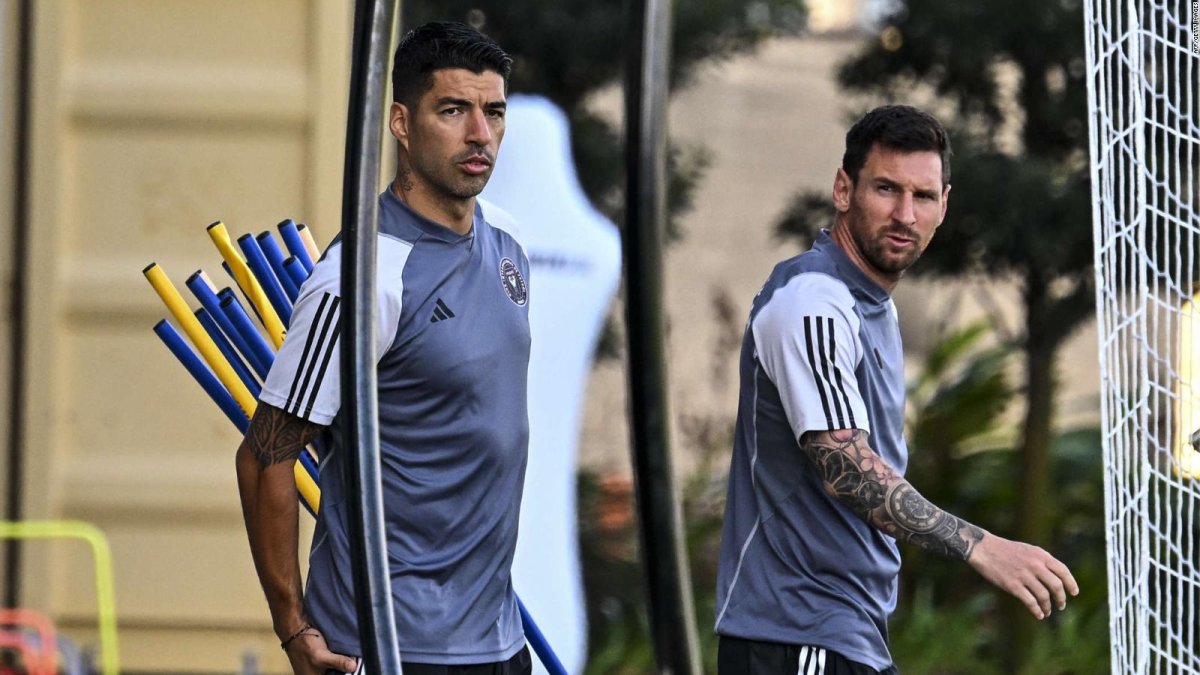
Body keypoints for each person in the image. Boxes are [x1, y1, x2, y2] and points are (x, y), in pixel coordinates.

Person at [713, 104, 1079, 675]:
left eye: (924, 196)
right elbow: (845, 466)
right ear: (843, 188)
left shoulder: (871, 306)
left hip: (839, 634)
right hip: (796, 632)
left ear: (944, 206)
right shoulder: (813, 302)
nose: (905, 214)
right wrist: (981, 545)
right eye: (886, 189)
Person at [235, 21, 532, 675]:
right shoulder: (364, 276)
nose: (480, 134)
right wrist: (293, 629)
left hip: (498, 637)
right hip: (387, 644)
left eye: (493, 112)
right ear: (401, 121)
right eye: (453, 110)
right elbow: (265, 455)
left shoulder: (508, 242)